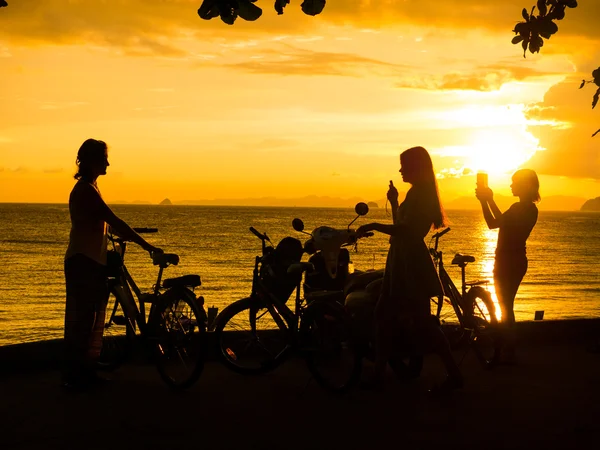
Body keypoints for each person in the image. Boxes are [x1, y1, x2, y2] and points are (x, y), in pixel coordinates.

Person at [357, 146, 463, 393]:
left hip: (409, 264)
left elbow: (409, 231)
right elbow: (402, 225)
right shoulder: (416, 193)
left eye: (404, 165)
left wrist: (374, 224)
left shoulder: (420, 194)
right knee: (386, 316)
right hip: (402, 261)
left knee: (417, 322)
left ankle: (452, 373)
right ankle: (380, 373)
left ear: (416, 166)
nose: (401, 170)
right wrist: (394, 203)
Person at [62, 138, 162, 390]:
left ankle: (82, 375)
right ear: (94, 161)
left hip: (90, 261)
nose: (108, 162)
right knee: (83, 323)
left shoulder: (90, 188)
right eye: (104, 157)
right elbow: (113, 220)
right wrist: (147, 246)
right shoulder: (86, 190)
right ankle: (77, 378)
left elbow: (102, 226)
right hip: (83, 262)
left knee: (89, 320)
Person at [476, 169, 539, 364]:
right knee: (506, 307)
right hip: (508, 260)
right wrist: (485, 200)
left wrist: (488, 200)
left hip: (510, 261)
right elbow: (495, 223)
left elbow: (499, 222)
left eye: (515, 182)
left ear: (527, 185)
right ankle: (507, 349)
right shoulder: (519, 207)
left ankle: (507, 350)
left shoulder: (527, 209)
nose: (511, 185)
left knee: (506, 307)